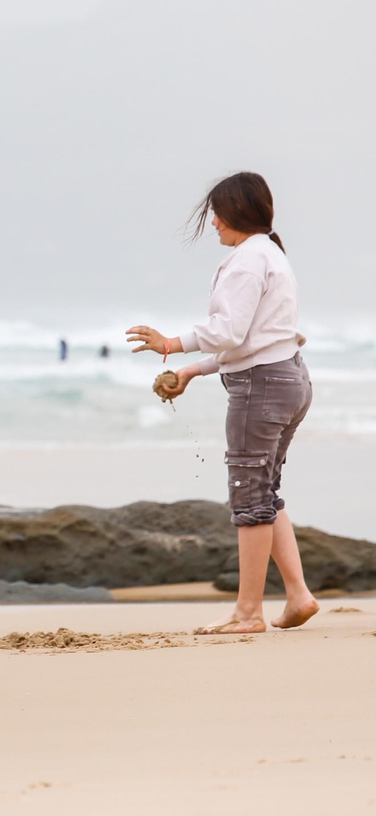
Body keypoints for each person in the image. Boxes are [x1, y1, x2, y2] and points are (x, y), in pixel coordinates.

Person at [126, 172, 317, 634]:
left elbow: (230, 333)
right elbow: (253, 340)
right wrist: (192, 370)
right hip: (290, 379)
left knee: (250, 497)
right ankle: (298, 595)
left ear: (236, 212)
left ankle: (248, 612)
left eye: (217, 212)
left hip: (264, 387)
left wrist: (172, 343)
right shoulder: (268, 253)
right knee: (265, 492)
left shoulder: (249, 260)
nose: (212, 222)